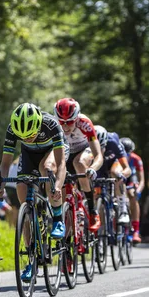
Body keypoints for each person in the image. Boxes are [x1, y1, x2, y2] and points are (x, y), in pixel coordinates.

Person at [0, 103, 67, 282]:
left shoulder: (51, 125)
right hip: (29, 156)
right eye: (23, 137)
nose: (27, 138)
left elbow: (62, 164)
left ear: (38, 125)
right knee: (23, 198)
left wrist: (57, 185)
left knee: (47, 168)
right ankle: (31, 260)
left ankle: (57, 219)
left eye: (31, 135)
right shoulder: (13, 129)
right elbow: (4, 165)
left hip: (52, 151)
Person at [54, 98, 104, 231]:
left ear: (76, 118)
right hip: (66, 153)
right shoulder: (53, 125)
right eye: (62, 122)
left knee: (79, 163)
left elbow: (98, 155)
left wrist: (93, 168)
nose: (65, 127)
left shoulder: (85, 123)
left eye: (69, 122)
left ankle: (93, 211)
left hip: (84, 151)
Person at [93, 125, 132, 224]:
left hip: (114, 162)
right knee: (95, 193)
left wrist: (122, 175)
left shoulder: (113, 141)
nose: (99, 151)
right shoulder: (86, 142)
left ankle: (123, 210)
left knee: (116, 173)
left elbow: (127, 168)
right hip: (98, 165)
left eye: (101, 147)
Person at [120, 137, 144, 244]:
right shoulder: (116, 157)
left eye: (128, 153)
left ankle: (136, 231)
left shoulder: (136, 159)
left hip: (132, 178)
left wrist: (138, 190)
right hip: (121, 177)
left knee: (132, 194)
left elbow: (142, 179)